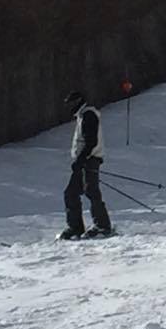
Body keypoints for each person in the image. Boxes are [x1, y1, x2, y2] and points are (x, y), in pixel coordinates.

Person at [59, 91, 114, 240]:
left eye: (70, 103)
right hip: (84, 160)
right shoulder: (82, 116)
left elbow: (91, 142)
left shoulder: (89, 115)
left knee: (91, 191)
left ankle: (102, 226)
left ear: (78, 102)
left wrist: (80, 160)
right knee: (71, 193)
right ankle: (75, 227)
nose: (68, 107)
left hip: (90, 160)